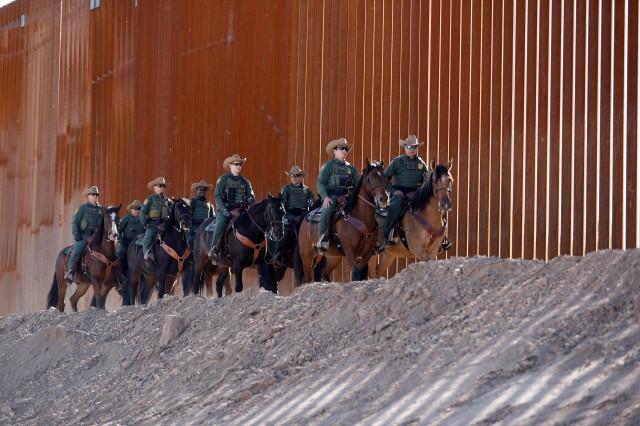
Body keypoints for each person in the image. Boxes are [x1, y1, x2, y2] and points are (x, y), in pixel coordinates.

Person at [315, 138, 360, 252]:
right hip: (332, 197)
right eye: (341, 148)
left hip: (348, 198)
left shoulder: (351, 168)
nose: (344, 151)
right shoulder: (328, 166)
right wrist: (325, 197)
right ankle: (322, 240)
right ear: (334, 151)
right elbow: (320, 183)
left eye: (346, 149)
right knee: (327, 212)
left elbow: (358, 184)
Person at [208, 154, 255, 260]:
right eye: (236, 164)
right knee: (221, 224)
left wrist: (247, 201)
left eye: (240, 164)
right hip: (226, 210)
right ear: (230, 166)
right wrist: (224, 210)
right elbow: (218, 196)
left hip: (241, 210)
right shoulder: (223, 179)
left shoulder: (245, 181)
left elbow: (251, 196)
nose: (239, 166)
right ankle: (214, 249)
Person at [64, 185, 104, 282]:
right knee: (77, 249)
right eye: (93, 194)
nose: (95, 196)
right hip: (84, 235)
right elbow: (74, 222)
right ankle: (70, 271)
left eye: (97, 195)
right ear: (88, 196)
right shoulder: (82, 208)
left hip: (96, 236)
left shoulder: (101, 209)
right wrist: (76, 233)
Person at [140, 177, 170, 262]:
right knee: (148, 238)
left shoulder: (167, 200)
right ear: (154, 187)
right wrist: (145, 224)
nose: (162, 188)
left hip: (164, 224)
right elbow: (142, 212)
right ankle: (146, 256)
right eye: (160, 186)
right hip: (153, 225)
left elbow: (171, 210)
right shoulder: (149, 199)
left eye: (164, 186)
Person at [117, 199, 144, 277]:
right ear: (131, 209)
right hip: (127, 243)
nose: (136, 210)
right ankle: (120, 273)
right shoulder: (126, 219)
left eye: (139, 208)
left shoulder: (143, 219)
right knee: (121, 253)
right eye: (135, 208)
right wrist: (121, 240)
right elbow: (119, 231)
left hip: (140, 243)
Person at [188, 180, 215, 249]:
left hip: (206, 228)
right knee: (191, 241)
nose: (203, 191)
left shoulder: (210, 205)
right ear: (197, 190)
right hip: (195, 227)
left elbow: (213, 219)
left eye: (205, 189)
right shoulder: (193, 202)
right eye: (200, 189)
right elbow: (188, 215)